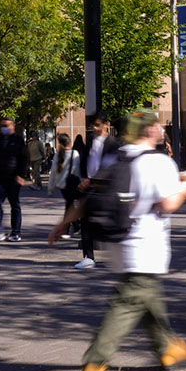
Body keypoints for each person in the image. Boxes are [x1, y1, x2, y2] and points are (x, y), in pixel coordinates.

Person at [68, 110, 186, 371]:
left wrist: (63, 224)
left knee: (145, 293)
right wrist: (185, 191)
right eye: (158, 126)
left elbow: (90, 195)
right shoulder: (158, 162)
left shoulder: (114, 156)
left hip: (117, 242)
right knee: (127, 304)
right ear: (150, 130)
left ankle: (167, 348)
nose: (161, 129)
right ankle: (94, 365)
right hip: (146, 244)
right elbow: (167, 204)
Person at [71, 112, 120, 268]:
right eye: (93, 125)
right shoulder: (91, 141)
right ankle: (88, 256)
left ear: (106, 124)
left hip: (105, 189)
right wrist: (83, 179)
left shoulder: (112, 143)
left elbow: (110, 167)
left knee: (111, 223)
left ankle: (120, 254)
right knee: (85, 221)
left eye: (98, 124)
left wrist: (92, 180)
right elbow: (86, 162)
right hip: (89, 187)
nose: (94, 128)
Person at [0, 115, 29, 242]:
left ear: (13, 126)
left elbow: (24, 159)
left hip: (13, 178)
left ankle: (15, 232)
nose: (4, 128)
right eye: (2, 126)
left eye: (7, 126)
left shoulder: (18, 140)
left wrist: (21, 175)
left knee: (14, 205)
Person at [52, 133, 82, 239]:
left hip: (62, 185)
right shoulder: (75, 154)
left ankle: (74, 227)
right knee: (69, 206)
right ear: (69, 141)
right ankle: (71, 228)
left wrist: (51, 188)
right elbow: (78, 171)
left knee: (69, 205)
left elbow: (53, 172)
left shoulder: (58, 154)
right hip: (72, 183)